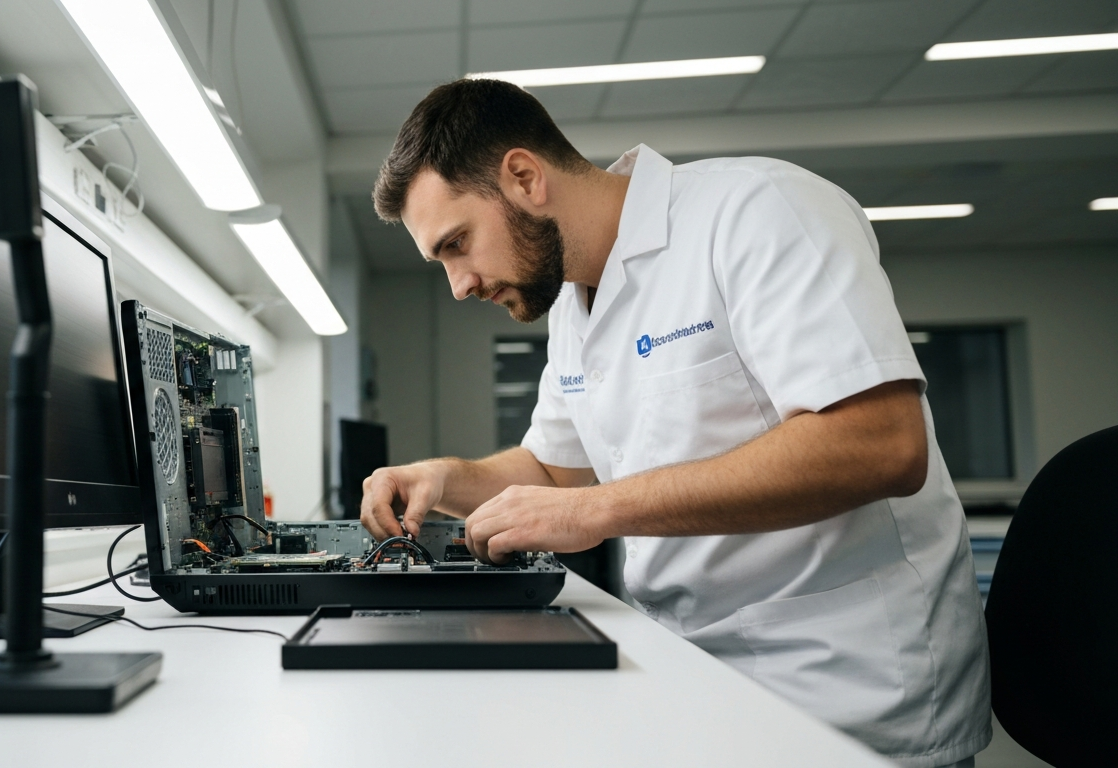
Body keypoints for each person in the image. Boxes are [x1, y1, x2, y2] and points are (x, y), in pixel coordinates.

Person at [361, 79, 990, 768]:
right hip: (694, 677)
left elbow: (881, 444)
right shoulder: (572, 303)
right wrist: (442, 478)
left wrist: (599, 510)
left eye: (457, 243)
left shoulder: (755, 211)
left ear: (523, 177)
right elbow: (554, 471)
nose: (459, 285)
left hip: (845, 690)